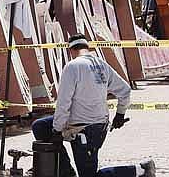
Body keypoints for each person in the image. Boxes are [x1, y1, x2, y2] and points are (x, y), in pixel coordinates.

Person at [31, 34, 155, 177]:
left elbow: (63, 103)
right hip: (97, 125)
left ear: (70, 50)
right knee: (40, 126)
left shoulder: (72, 67)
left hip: (85, 130)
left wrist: (57, 130)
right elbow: (125, 90)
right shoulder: (101, 65)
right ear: (88, 48)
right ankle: (66, 172)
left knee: (89, 175)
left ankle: (141, 169)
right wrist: (120, 114)